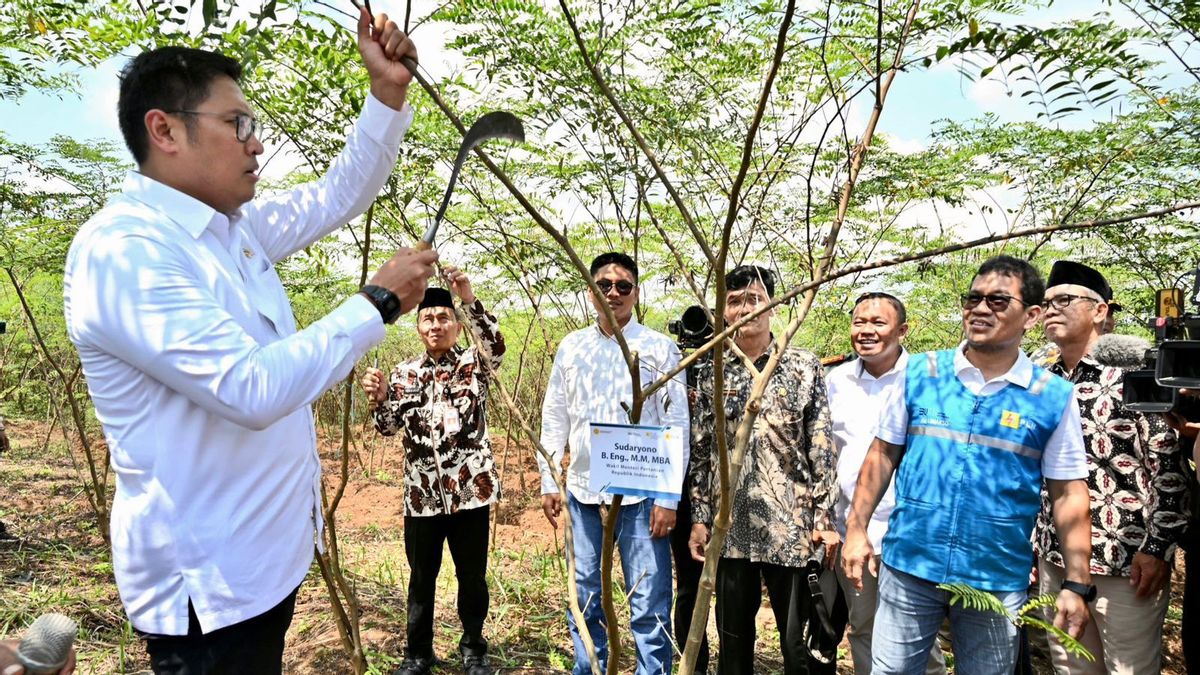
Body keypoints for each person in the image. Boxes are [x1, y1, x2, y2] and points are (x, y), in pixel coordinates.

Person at [61, 10, 438, 673]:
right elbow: (250, 387)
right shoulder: (125, 251)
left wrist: (387, 95)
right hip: (207, 592)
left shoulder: (231, 231)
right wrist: (376, 303)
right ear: (165, 129)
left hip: (262, 568)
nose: (255, 143)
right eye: (237, 124)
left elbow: (338, 194)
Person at [842, 255, 1094, 675]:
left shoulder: (1052, 395)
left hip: (995, 575)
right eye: (973, 298)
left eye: (997, 301)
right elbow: (882, 453)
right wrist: (856, 530)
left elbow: (1069, 492)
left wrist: (1076, 582)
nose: (979, 309)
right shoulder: (922, 372)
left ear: (1031, 315)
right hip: (909, 565)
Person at [537, 252, 689, 675]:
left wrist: (669, 498)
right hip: (583, 494)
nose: (614, 293)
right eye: (604, 285)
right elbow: (555, 418)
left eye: (624, 286)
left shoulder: (660, 348)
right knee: (586, 594)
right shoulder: (572, 348)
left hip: (643, 500)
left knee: (648, 599)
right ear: (591, 292)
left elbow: (678, 424)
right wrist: (549, 480)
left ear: (636, 294)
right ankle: (590, 668)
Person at [1033, 260, 1188, 674]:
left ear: (1100, 310)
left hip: (1126, 560)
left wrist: (1157, 548)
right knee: (1070, 668)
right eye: (1046, 302)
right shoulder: (1042, 381)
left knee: (1129, 669)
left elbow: (1168, 467)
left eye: (1064, 299)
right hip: (1056, 557)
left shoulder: (1138, 373)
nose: (1051, 309)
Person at [687, 265, 838, 675]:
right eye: (734, 302)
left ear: (773, 305)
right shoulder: (710, 369)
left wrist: (823, 518)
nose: (744, 309)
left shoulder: (803, 367)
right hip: (729, 526)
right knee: (733, 643)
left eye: (754, 299)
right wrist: (700, 518)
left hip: (790, 524)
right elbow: (701, 451)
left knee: (796, 646)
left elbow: (821, 445)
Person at [360, 271, 504, 675]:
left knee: (472, 576)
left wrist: (468, 297)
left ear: (456, 326)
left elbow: (495, 344)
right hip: (421, 496)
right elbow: (389, 427)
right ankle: (418, 653)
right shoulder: (405, 372)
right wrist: (380, 398)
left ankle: (474, 647)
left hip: (470, 492)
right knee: (421, 578)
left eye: (444, 318)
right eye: (429, 319)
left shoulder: (474, 364)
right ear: (419, 326)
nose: (436, 325)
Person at [825, 292, 945, 675]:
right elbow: (824, 454)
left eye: (878, 323)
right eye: (859, 322)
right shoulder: (836, 380)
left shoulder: (931, 380)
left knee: (918, 634)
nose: (866, 331)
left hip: (913, 532)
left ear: (902, 330)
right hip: (853, 532)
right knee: (863, 628)